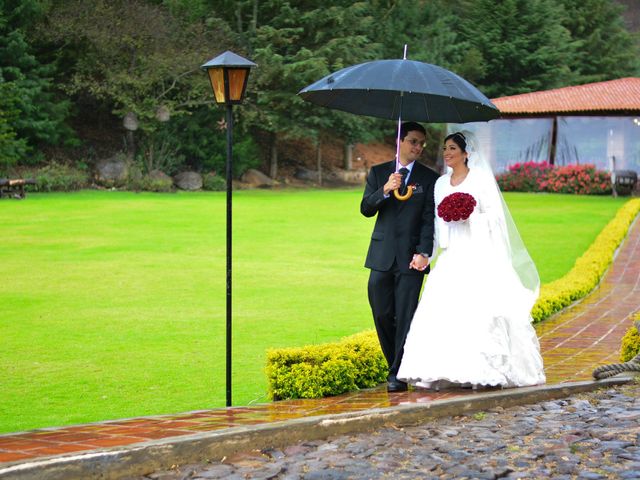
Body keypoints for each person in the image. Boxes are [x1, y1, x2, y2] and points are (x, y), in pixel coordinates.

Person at [397, 131, 545, 389]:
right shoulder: (441, 183)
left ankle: (483, 371)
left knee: (477, 310)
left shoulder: (480, 180)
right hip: (452, 254)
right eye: (445, 148)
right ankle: (443, 370)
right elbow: (434, 222)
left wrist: (468, 215)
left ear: (466, 153)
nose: (447, 153)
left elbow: (494, 219)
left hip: (478, 253)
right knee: (445, 312)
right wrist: (426, 254)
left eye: (453, 148)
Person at [361, 121, 440, 392]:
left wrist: (424, 252)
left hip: (411, 259)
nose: (418, 147)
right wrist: (384, 189)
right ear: (400, 142)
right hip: (381, 256)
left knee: (405, 316)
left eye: (422, 143)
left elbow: (430, 218)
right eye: (413, 141)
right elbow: (366, 209)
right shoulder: (379, 172)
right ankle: (393, 363)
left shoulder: (430, 178)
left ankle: (397, 373)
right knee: (382, 313)